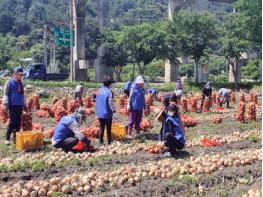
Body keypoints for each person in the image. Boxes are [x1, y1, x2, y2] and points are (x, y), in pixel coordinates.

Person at [2, 67, 26, 145]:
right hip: (12, 105)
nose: (21, 76)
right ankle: (7, 138)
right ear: (15, 74)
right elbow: (5, 93)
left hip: (19, 106)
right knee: (12, 122)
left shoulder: (21, 83)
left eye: (22, 75)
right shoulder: (9, 82)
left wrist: (24, 103)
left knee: (18, 122)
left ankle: (16, 138)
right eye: (20, 74)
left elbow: (22, 95)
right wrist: (5, 103)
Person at [96, 76, 116, 145]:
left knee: (101, 127)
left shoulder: (99, 90)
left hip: (100, 113)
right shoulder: (109, 92)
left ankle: (100, 142)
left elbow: (96, 99)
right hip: (107, 113)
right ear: (110, 84)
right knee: (108, 129)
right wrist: (113, 110)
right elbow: (110, 102)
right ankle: (109, 142)